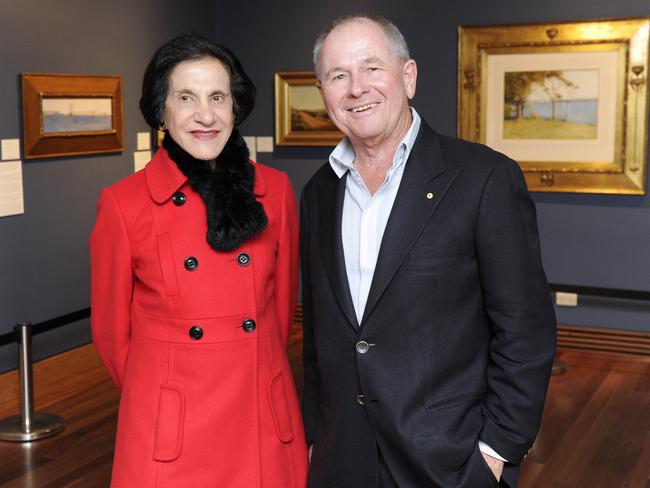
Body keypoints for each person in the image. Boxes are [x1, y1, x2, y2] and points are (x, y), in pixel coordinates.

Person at [300, 14, 556, 488]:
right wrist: (316, 436)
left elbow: (526, 331)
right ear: (324, 94)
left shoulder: (484, 178)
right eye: (339, 76)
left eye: (372, 68)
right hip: (342, 458)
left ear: (409, 76)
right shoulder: (319, 191)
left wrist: (496, 450)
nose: (357, 88)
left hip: (449, 460)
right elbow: (319, 335)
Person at [90, 32, 307, 487]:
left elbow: (280, 312)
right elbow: (112, 337)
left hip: (261, 415)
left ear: (235, 108)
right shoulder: (123, 204)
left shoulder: (277, 192)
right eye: (185, 98)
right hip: (171, 427)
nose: (205, 115)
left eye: (217, 97)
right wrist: (160, 397)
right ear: (162, 111)